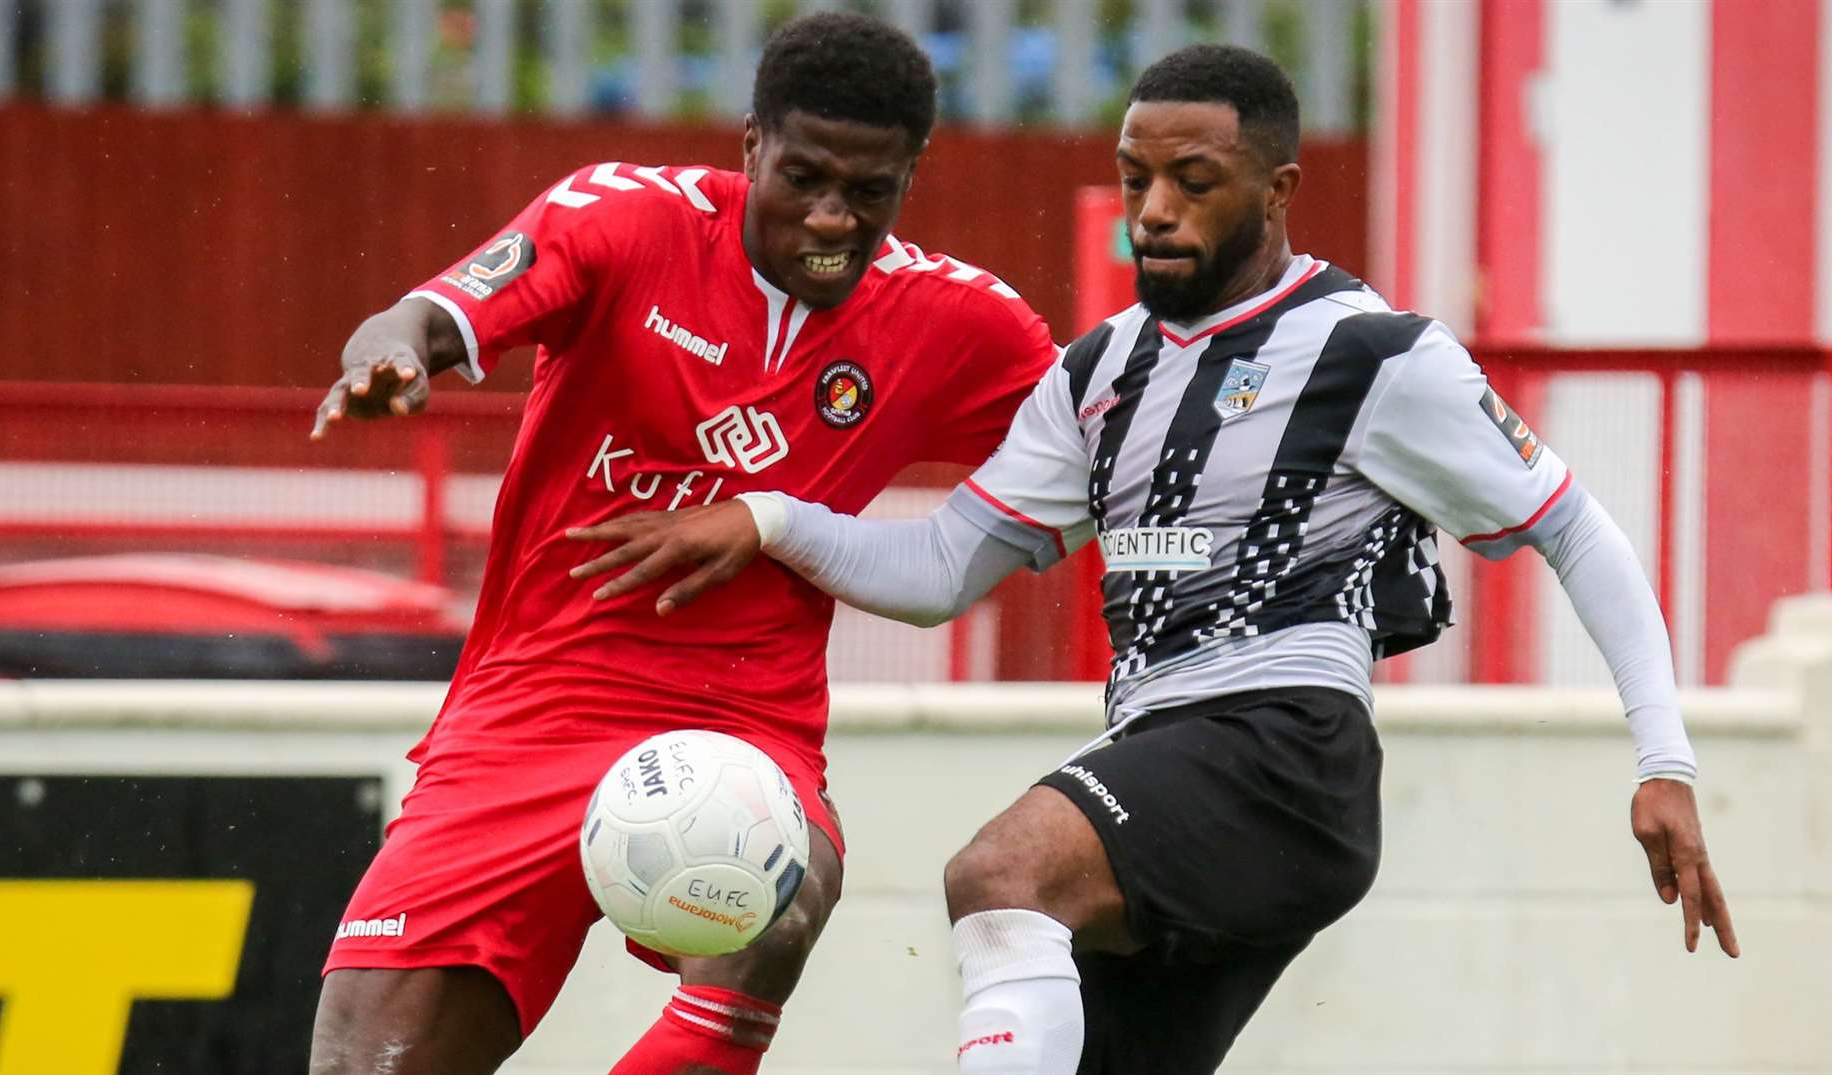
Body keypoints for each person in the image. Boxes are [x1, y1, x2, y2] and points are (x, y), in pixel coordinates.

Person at [569, 44, 1741, 1075]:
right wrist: (771, 519)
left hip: (1285, 749)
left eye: (1194, 182)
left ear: (1277, 192)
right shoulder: (1093, 373)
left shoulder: (1373, 353)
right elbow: (939, 570)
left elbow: (1574, 526)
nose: (1156, 211)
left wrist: (1663, 756)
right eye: (1138, 180)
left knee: (999, 876)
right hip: (1168, 751)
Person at [305, 13, 1058, 1075]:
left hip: (739, 724)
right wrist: (391, 361)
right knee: (360, 1061)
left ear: (910, 178)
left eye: (870, 193)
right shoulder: (625, 221)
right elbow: (421, 316)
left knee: (790, 889)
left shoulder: (960, 324)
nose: (831, 219)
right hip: (531, 706)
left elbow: (1103, 449)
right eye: (804, 178)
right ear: (751, 144)